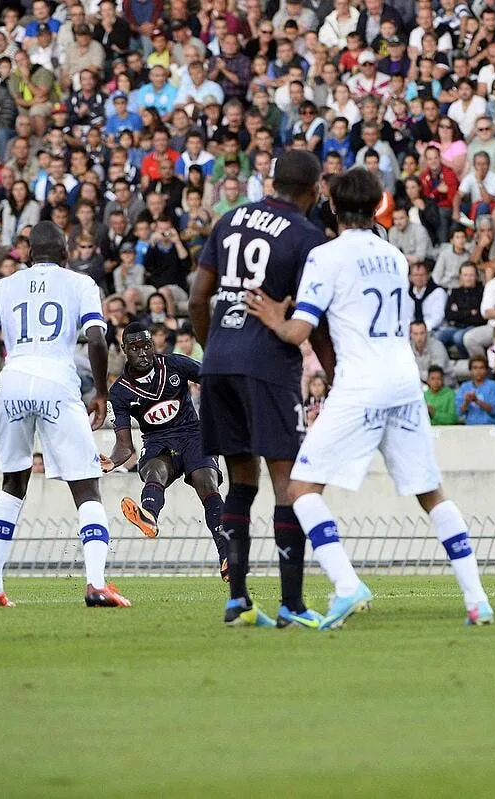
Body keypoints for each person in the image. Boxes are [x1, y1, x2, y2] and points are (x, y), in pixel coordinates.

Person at [245, 168, 494, 628]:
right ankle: (477, 599)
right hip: (403, 379)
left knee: (300, 488)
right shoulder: (395, 256)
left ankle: (346, 585)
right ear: (378, 206)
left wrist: (274, 317)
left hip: (361, 383)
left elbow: (300, 330)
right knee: (431, 492)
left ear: (334, 208)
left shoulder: (326, 256)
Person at [189, 150, 328, 629]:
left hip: (218, 365)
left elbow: (196, 296)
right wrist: (335, 374)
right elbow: (317, 318)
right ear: (314, 189)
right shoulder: (309, 236)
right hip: (267, 366)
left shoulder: (230, 219)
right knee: (287, 481)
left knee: (241, 480)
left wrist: (216, 348)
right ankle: (292, 602)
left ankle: (238, 599)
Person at [0, 221, 128, 609]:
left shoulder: (3, 286)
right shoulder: (80, 283)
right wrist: (101, 392)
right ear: (66, 253)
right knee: (86, 485)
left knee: (12, 482)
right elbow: (97, 338)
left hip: (13, 381)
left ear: (29, 254)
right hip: (56, 382)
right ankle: (97, 584)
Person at [101, 321, 228, 581]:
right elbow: (125, 445)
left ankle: (227, 556)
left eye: (147, 345)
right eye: (136, 348)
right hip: (158, 441)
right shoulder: (120, 393)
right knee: (156, 470)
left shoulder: (175, 364)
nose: (144, 352)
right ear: (125, 349)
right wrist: (112, 462)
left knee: (207, 480)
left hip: (193, 434)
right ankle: (148, 515)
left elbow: (212, 379)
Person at [455, 355, 495, 424]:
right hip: (470, 427)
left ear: (486, 370)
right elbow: (459, 413)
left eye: (481, 368)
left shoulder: (494, 386)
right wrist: (466, 402)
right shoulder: (464, 387)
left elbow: (494, 410)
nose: (478, 371)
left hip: (490, 426)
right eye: (475, 368)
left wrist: (477, 400)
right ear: (470, 370)